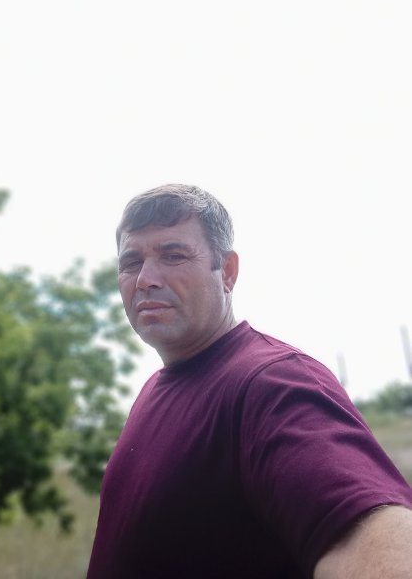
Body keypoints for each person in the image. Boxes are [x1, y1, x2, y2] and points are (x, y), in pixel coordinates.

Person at [87, 184, 412, 579]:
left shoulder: (272, 383)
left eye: (173, 256)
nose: (145, 279)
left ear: (227, 272)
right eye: (131, 261)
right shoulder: (157, 386)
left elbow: (380, 542)